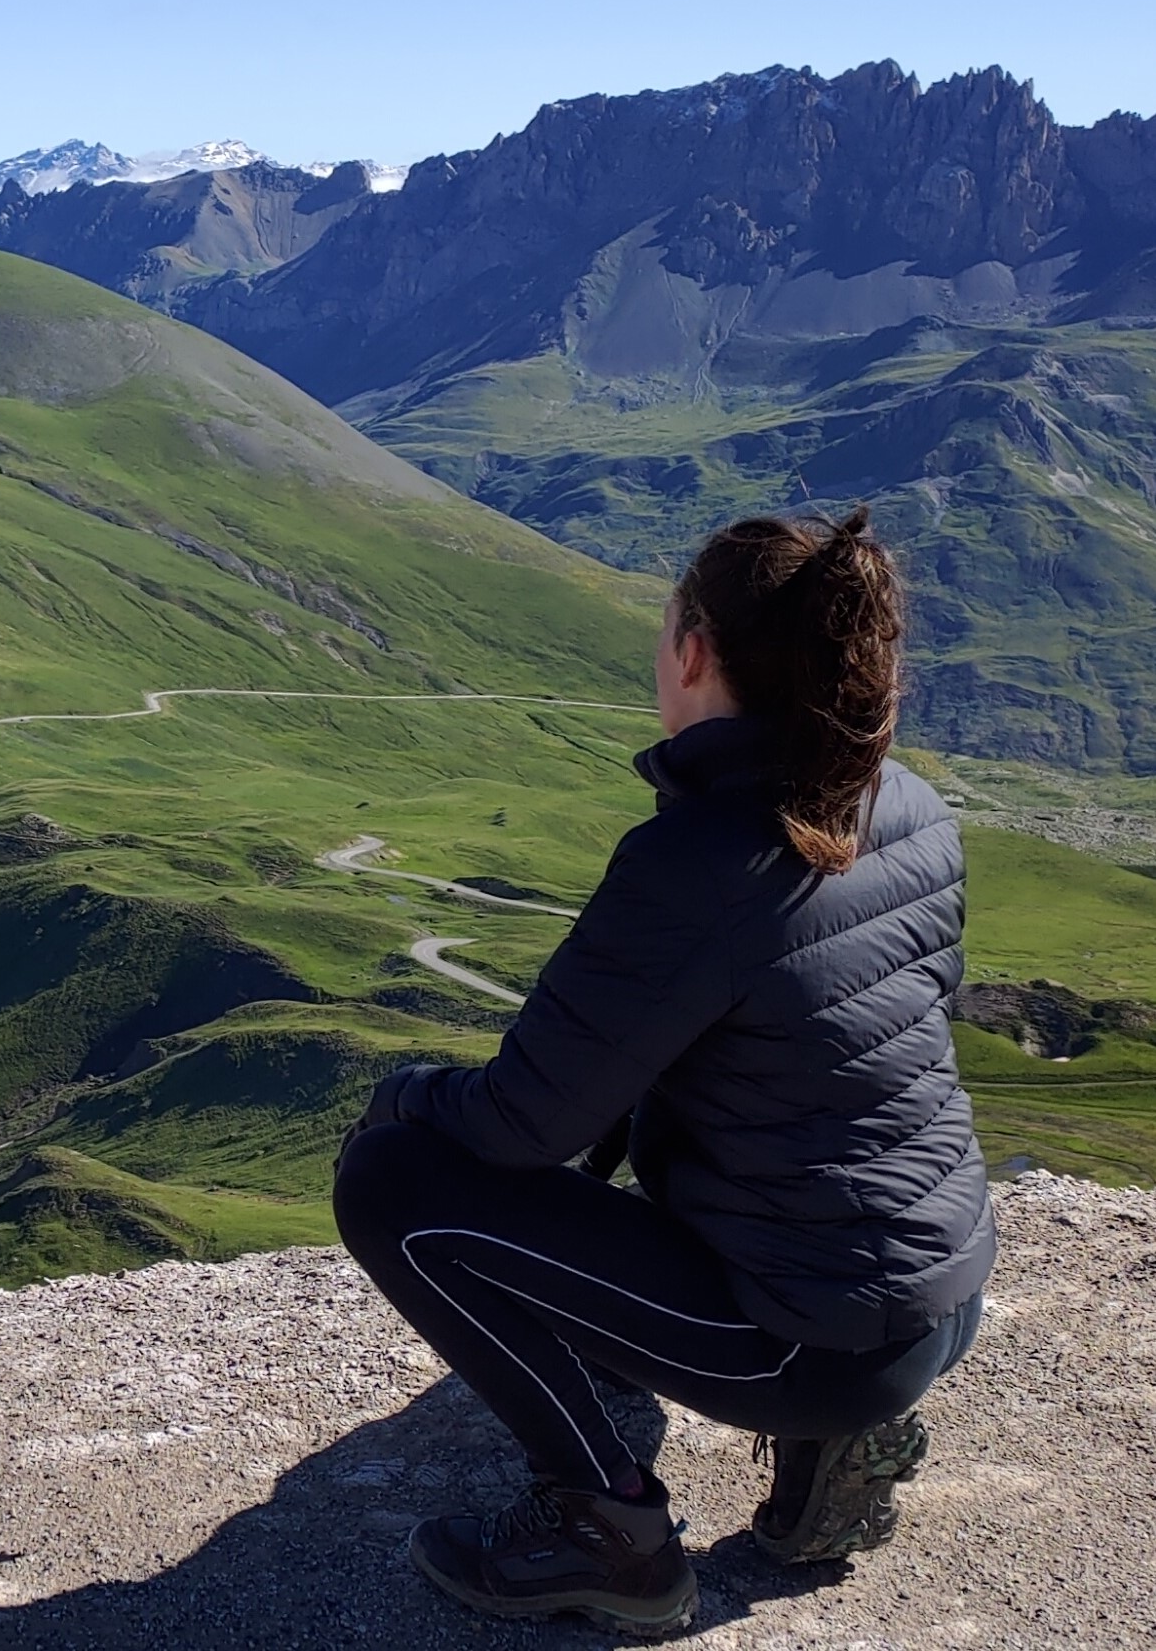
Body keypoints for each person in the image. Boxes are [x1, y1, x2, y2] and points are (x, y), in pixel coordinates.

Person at [331, 507, 994, 1636]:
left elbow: (519, 1124)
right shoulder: (910, 807)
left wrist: (402, 1100)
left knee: (391, 1182)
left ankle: (611, 1534)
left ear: (692, 652)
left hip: (806, 1332)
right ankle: (840, 1433)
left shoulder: (699, 861)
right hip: (941, 1291)